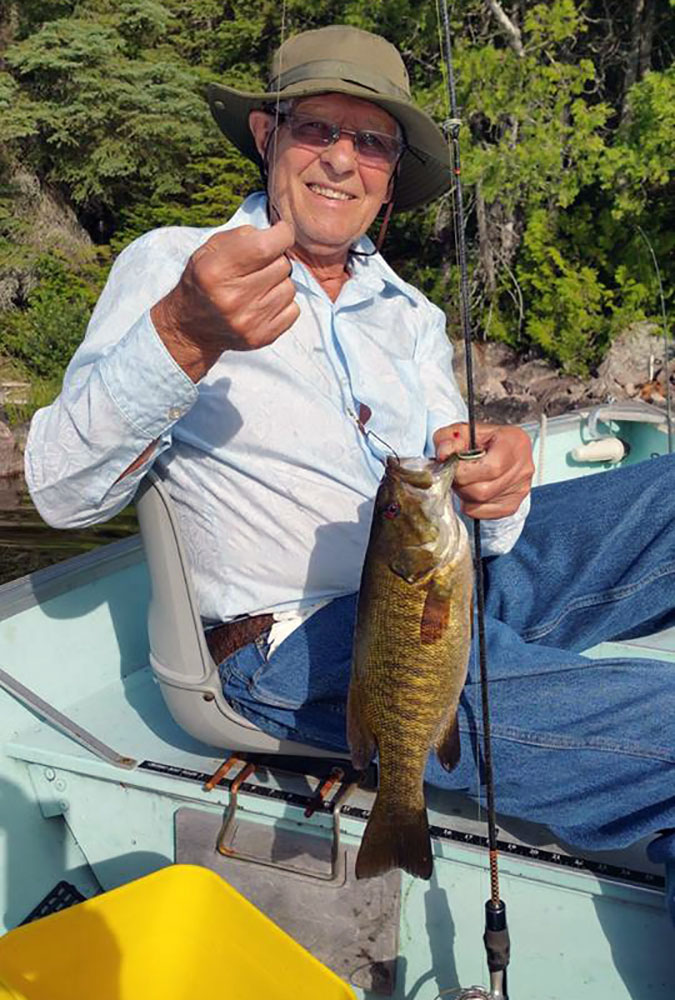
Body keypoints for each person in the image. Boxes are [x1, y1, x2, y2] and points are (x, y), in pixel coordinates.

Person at [25, 25, 675, 912]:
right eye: (315, 129)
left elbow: (461, 498)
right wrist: (181, 334)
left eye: (369, 141)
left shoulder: (406, 313)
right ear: (267, 136)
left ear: (391, 173)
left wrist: (499, 484)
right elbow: (60, 492)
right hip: (299, 643)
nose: (341, 160)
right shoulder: (176, 265)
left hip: (445, 586)